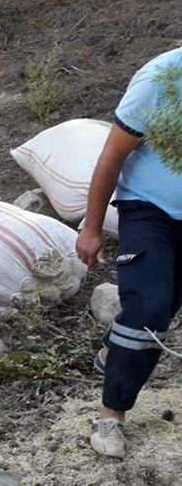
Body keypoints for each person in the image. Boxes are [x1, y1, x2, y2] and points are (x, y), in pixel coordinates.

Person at [76, 46, 182, 458]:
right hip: (148, 209)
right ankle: (111, 416)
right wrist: (91, 226)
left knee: (166, 304)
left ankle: (113, 351)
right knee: (149, 309)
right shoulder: (162, 79)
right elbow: (113, 153)